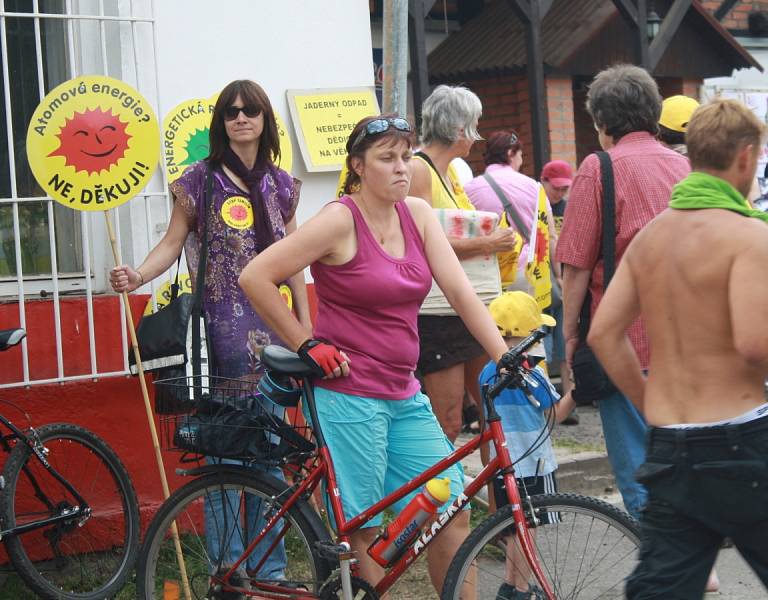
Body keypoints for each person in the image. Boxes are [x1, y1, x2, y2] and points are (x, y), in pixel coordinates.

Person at [238, 114, 509, 592]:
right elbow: (255, 277)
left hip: (404, 392)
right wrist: (306, 342)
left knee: (450, 511)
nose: (402, 168)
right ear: (359, 167)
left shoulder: (419, 215)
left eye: (406, 156)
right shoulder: (339, 220)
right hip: (349, 394)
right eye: (387, 158)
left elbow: (463, 295)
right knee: (363, 526)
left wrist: (505, 358)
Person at [588, 98, 768, 599]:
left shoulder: (651, 237)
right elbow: (753, 342)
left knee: (662, 590)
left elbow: (603, 334)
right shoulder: (748, 233)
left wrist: (649, 405)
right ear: (746, 157)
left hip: (670, 444)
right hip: (740, 441)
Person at [109, 79, 310, 580]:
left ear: (265, 119)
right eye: (231, 112)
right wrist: (137, 274)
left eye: (250, 111)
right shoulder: (197, 180)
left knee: (268, 454)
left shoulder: (283, 184)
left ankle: (270, 571)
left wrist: (306, 329)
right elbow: (173, 243)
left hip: (274, 335)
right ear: (220, 123)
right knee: (223, 457)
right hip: (216, 338)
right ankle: (228, 567)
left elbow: (294, 261)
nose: (241, 119)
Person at [555, 64, 690, 520]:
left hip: (625, 340)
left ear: (601, 121)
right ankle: (692, 556)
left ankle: (666, 560)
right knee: (679, 457)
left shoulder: (599, 168)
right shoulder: (685, 167)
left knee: (638, 466)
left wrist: (570, 337)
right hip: (688, 339)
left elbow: (575, 266)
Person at [408, 85, 516, 442]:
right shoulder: (419, 170)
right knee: (449, 420)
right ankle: (445, 497)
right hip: (439, 312)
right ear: (458, 130)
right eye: (475, 125)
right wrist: (487, 242)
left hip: (468, 304)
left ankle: (495, 496)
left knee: (491, 413)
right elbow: (422, 242)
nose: (477, 136)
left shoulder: (450, 172)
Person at [479, 291, 575, 600]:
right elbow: (557, 415)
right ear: (526, 337)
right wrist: (576, 390)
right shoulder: (533, 376)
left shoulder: (486, 372)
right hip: (534, 465)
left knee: (513, 528)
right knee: (527, 529)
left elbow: (484, 424)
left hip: (502, 464)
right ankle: (522, 590)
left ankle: (510, 584)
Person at [464, 130, 550, 293]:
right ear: (511, 153)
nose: (521, 161)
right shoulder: (534, 187)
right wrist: (557, 275)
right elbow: (549, 234)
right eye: (520, 155)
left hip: (487, 276)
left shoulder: (468, 190)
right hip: (527, 273)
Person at [540, 159, 576, 424]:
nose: (560, 193)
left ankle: (568, 400)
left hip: (565, 281)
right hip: (545, 280)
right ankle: (545, 401)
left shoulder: (568, 207)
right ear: (544, 182)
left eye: (564, 189)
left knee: (565, 345)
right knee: (543, 345)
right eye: (556, 188)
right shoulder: (538, 205)